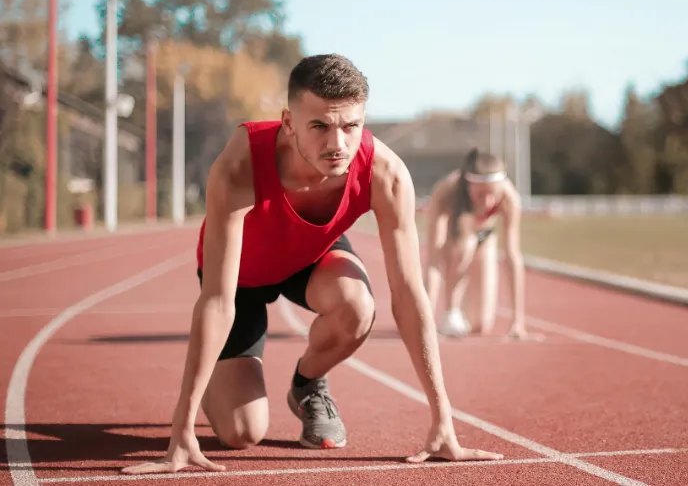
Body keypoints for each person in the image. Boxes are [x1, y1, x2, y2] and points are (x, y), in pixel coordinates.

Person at [120, 54, 503, 475]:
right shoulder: (240, 164)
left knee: (358, 306)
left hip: (310, 258)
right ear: (289, 122)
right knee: (242, 433)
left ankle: (307, 384)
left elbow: (410, 294)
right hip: (241, 278)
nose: (337, 143)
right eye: (319, 126)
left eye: (350, 126)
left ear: (363, 120)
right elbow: (216, 299)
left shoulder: (385, 174)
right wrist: (182, 430)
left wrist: (442, 420)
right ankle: (215, 377)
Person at [423, 149, 541, 341]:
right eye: (480, 195)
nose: (487, 202)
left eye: (492, 194)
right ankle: (451, 312)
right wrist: (424, 319)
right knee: (465, 247)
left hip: (485, 237)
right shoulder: (446, 192)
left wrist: (517, 321)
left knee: (480, 325)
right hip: (455, 240)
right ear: (468, 186)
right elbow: (433, 260)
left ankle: (465, 315)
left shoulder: (509, 197)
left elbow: (512, 256)